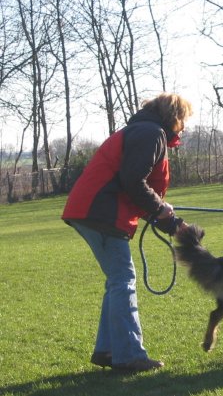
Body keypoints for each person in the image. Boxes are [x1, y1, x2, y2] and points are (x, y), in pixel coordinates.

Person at [62, 92, 193, 371]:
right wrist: (161, 210)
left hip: (92, 209)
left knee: (117, 280)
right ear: (175, 117)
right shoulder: (151, 134)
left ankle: (109, 350)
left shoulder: (142, 130)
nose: (184, 125)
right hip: (101, 212)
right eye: (184, 119)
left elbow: (136, 189)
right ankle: (129, 355)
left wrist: (171, 223)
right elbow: (134, 182)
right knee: (123, 279)